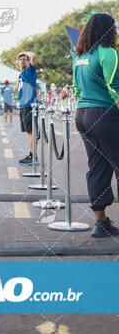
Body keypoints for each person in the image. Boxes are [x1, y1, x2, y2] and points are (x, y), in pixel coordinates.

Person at [73, 13, 119, 238]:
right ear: (108, 30)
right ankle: (102, 223)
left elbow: (75, 89)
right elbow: (115, 88)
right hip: (103, 113)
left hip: (82, 114)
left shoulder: (79, 55)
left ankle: (101, 223)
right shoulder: (107, 52)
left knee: (98, 167)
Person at [17, 51, 38, 165]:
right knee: (29, 132)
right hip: (23, 106)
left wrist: (24, 52)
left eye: (24, 59)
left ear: (28, 61)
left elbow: (34, 56)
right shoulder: (21, 74)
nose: (22, 61)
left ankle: (33, 157)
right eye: (20, 59)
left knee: (32, 132)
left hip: (30, 105)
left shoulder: (30, 70)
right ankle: (31, 154)